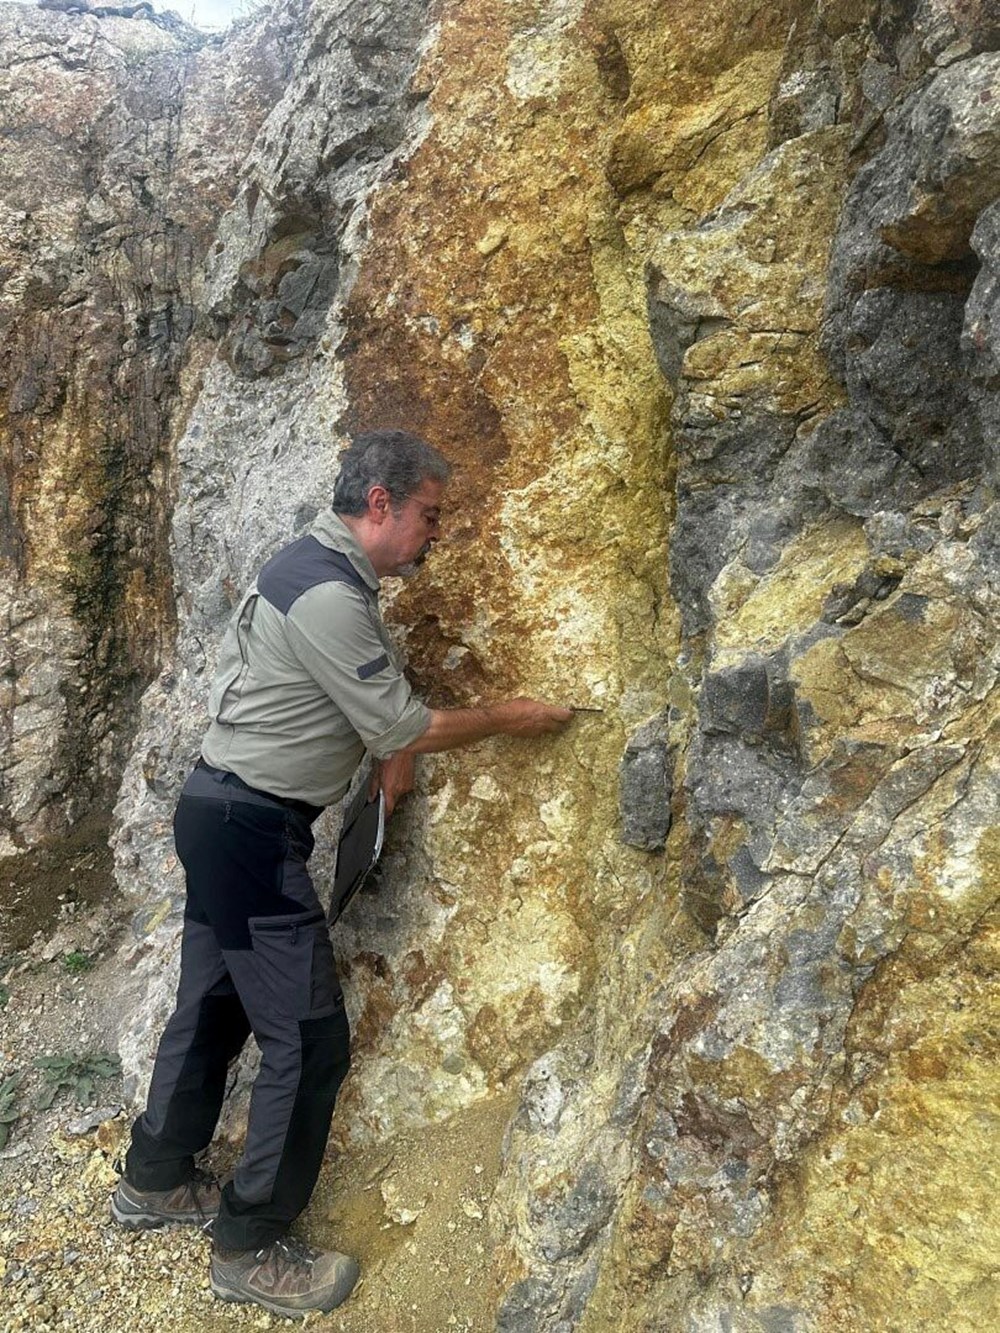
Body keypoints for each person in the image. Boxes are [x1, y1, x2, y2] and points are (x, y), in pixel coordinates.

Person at [110, 429, 573, 1319]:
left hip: (218, 812)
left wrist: (380, 750)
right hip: (251, 832)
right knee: (309, 1039)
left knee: (212, 1006)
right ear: (380, 505)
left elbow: (342, 704)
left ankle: (155, 1179)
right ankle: (248, 1245)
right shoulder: (332, 595)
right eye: (430, 516)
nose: (435, 535)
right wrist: (506, 717)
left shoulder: (309, 567)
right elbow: (400, 721)